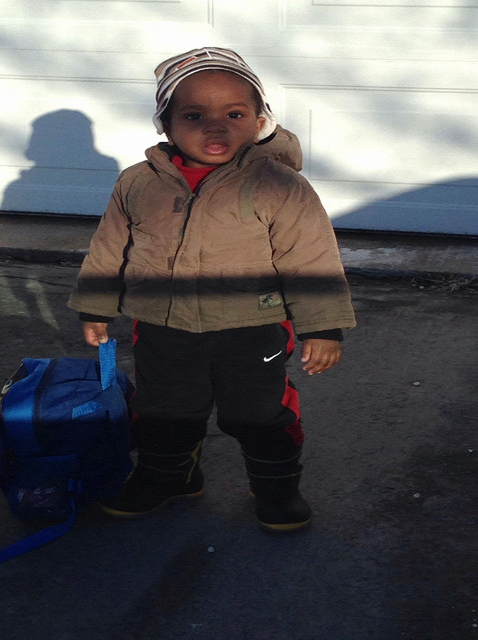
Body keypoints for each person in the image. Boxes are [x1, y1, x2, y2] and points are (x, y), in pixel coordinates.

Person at [68, 47, 356, 532]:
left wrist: (323, 327)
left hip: (253, 326)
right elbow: (110, 247)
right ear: (166, 124)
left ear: (259, 122)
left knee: (257, 413)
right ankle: (169, 474)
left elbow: (310, 257)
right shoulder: (139, 182)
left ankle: (276, 485)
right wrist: (95, 307)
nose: (215, 127)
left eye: (234, 114)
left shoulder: (277, 184)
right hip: (162, 325)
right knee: (163, 409)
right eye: (194, 115)